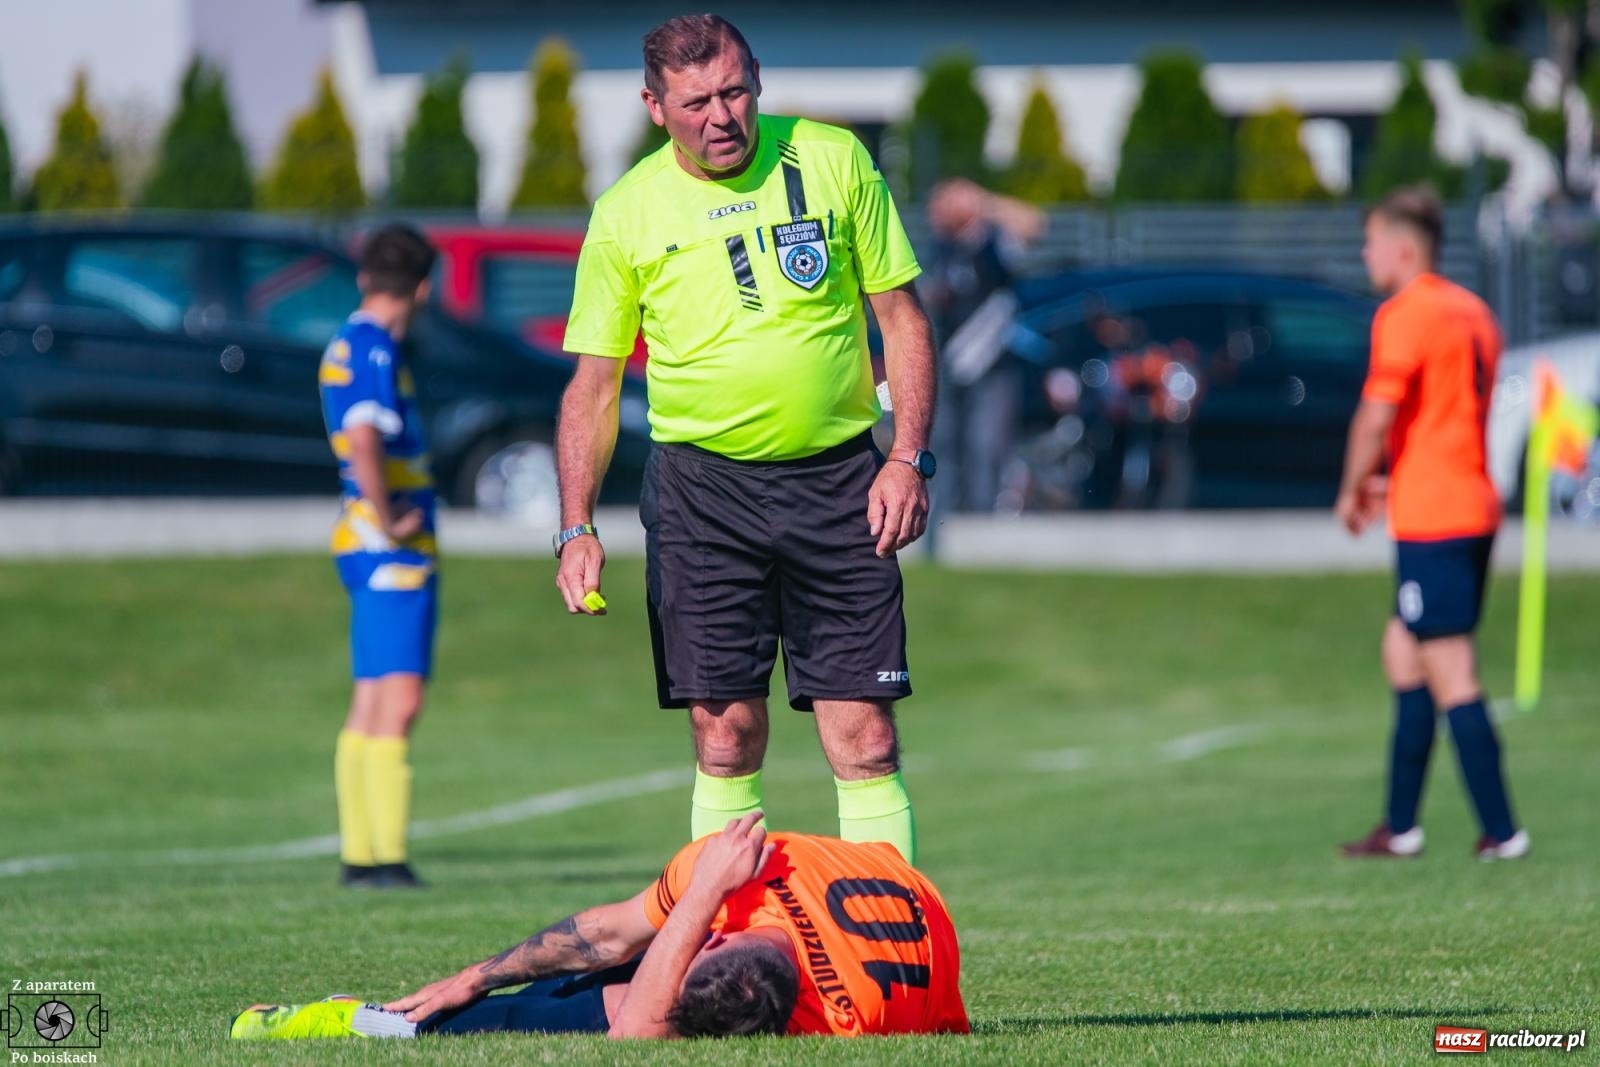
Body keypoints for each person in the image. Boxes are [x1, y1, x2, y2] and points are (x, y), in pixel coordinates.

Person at [552, 15, 938, 862]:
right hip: (702, 497)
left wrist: (906, 457)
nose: (721, 116)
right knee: (724, 734)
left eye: (733, 92)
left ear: (757, 77)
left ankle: (889, 940)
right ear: (655, 107)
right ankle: (724, 939)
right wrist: (576, 524)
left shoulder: (833, 158)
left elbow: (902, 319)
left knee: (867, 734)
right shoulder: (625, 213)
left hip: (841, 484)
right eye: (696, 103)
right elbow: (594, 385)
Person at [229, 813, 969, 1040]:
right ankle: (427, 1014)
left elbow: (637, 1030)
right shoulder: (851, 1019)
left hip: (867, 891)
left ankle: (369, 1024)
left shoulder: (724, 874)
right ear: (715, 935)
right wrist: (473, 976)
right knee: (613, 966)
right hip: (782, 913)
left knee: (617, 1003)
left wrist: (705, 893)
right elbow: (610, 937)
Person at [1334, 186, 1528, 861]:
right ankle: (1400, 827)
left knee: (1450, 667)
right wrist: (1394, 480)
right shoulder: (1473, 312)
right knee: (1403, 648)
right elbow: (1446, 425)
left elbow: (1376, 414)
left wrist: (1350, 487)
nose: (1365, 255)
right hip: (1468, 503)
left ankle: (1503, 833)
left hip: (1436, 519)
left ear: (1403, 249)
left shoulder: (1406, 313)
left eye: (1371, 243)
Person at [318, 224, 440, 889]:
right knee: (399, 699)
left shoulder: (346, 339)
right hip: (389, 551)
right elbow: (364, 435)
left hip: (363, 543)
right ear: (422, 288)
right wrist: (391, 517)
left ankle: (360, 855)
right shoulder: (374, 348)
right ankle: (385, 857)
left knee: (370, 697)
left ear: (365, 276)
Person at [925, 178, 1042, 514]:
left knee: (986, 446)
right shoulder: (941, 248)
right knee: (943, 445)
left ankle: (981, 520)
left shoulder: (994, 243)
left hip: (993, 365)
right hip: (948, 362)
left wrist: (983, 202)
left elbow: (1035, 224)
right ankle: (943, 519)